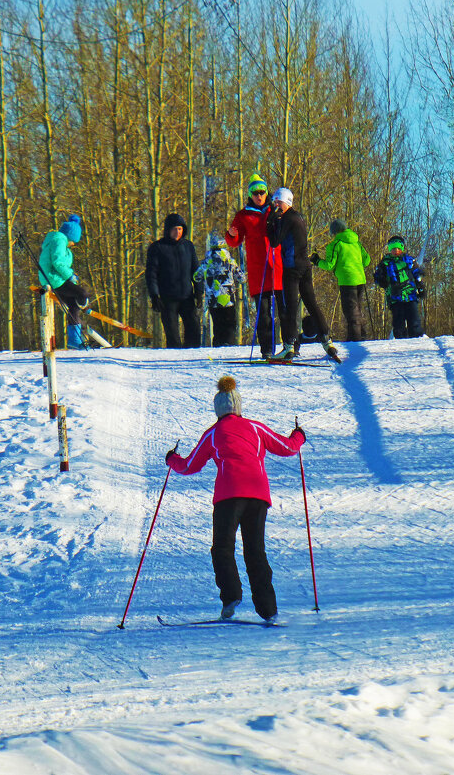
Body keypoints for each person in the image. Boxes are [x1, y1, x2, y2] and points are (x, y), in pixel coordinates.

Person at [165, 376, 306, 623]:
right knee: (255, 551)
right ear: (238, 407)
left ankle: (231, 596)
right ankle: (268, 610)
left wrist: (171, 460)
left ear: (218, 409)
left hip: (228, 496)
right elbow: (287, 447)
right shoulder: (255, 428)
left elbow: (189, 465)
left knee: (222, 548)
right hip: (258, 495)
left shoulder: (213, 432)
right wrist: (299, 436)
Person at [266, 187, 337, 361]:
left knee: (290, 307)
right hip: (304, 266)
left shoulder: (288, 219)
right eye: (275, 202)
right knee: (311, 303)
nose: (276, 205)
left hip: (292, 268)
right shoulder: (298, 217)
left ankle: (289, 346)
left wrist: (270, 223)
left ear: (286, 202)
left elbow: (275, 242)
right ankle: (327, 340)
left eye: (278, 202)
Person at [225, 173, 286, 359]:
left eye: (262, 192)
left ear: (267, 193)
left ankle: (291, 346)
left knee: (285, 309)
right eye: (255, 193)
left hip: (278, 267)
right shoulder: (243, 215)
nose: (259, 196)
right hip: (258, 269)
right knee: (264, 312)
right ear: (250, 195)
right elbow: (235, 241)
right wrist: (231, 234)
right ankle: (267, 349)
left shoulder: (275, 210)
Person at [146, 213, 203, 349]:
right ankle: (173, 364)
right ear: (167, 230)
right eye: (174, 229)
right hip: (167, 299)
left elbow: (196, 271)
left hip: (187, 297)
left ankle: (193, 361)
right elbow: (151, 274)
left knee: (194, 331)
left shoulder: (188, 246)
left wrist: (199, 291)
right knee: (173, 338)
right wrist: (154, 296)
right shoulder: (157, 248)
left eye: (179, 229)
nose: (177, 232)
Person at [311, 219, 371, 341]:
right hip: (360, 279)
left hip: (346, 280)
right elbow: (367, 260)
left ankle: (354, 340)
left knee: (351, 313)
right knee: (358, 309)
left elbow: (329, 265)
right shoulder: (356, 242)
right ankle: (362, 336)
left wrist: (316, 260)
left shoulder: (336, 244)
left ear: (334, 232)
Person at [38, 213, 89, 350]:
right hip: (54, 279)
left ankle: (74, 340)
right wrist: (70, 276)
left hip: (52, 278)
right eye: (74, 241)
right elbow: (58, 262)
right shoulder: (59, 240)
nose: (73, 244)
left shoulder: (57, 239)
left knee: (72, 305)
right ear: (70, 236)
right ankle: (85, 306)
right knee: (82, 293)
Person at [193, 233, 246, 347]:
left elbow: (196, 276)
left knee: (217, 324)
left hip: (213, 298)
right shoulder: (230, 260)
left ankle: (218, 345)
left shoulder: (207, 261)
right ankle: (229, 344)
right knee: (230, 324)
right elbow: (242, 278)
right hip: (228, 298)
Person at [373, 236, 425, 339]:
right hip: (395, 298)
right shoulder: (385, 263)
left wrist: (420, 286)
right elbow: (378, 276)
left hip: (410, 295)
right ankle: (401, 340)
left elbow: (417, 273)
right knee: (398, 322)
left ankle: (417, 340)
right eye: (393, 249)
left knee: (414, 320)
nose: (396, 251)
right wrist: (380, 279)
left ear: (402, 248)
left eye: (398, 249)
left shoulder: (409, 261)